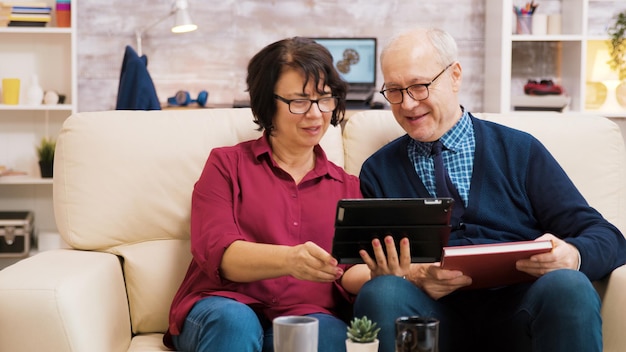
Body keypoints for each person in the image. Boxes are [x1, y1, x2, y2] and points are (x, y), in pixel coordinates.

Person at [350, 27, 626, 352]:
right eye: (394, 91)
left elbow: (607, 237)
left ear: (454, 76)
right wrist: (416, 275)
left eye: (420, 87)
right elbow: (360, 265)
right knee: (382, 292)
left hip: (520, 313)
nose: (408, 104)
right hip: (429, 317)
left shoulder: (519, 151)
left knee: (569, 284)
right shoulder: (378, 170)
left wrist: (573, 256)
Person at [163, 37, 363, 352]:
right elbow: (220, 254)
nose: (315, 114)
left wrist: (396, 271)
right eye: (299, 101)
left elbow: (350, 273)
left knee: (326, 335)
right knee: (234, 322)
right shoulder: (226, 165)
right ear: (267, 103)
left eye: (325, 98)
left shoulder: (348, 187)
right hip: (223, 307)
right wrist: (290, 259)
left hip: (306, 315)